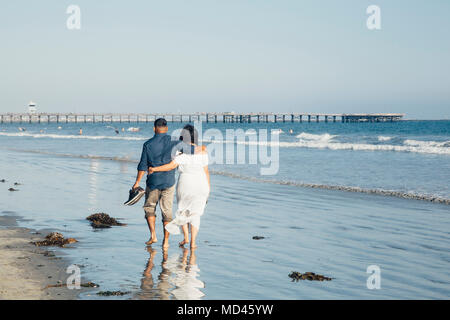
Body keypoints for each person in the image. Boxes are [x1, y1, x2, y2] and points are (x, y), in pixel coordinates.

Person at [148, 124, 210, 249]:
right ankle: (193, 242)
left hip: (186, 183)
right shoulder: (203, 152)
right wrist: (208, 189)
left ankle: (186, 237)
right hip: (201, 184)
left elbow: (171, 166)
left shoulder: (180, 152)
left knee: (183, 210)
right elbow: (206, 171)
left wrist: (155, 169)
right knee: (195, 214)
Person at [132, 118, 179, 248]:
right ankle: (166, 242)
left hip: (153, 182)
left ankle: (153, 235)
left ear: (154, 128)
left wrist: (136, 183)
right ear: (167, 128)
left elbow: (142, 166)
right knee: (167, 211)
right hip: (169, 181)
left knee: (149, 208)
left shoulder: (148, 144)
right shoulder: (175, 141)